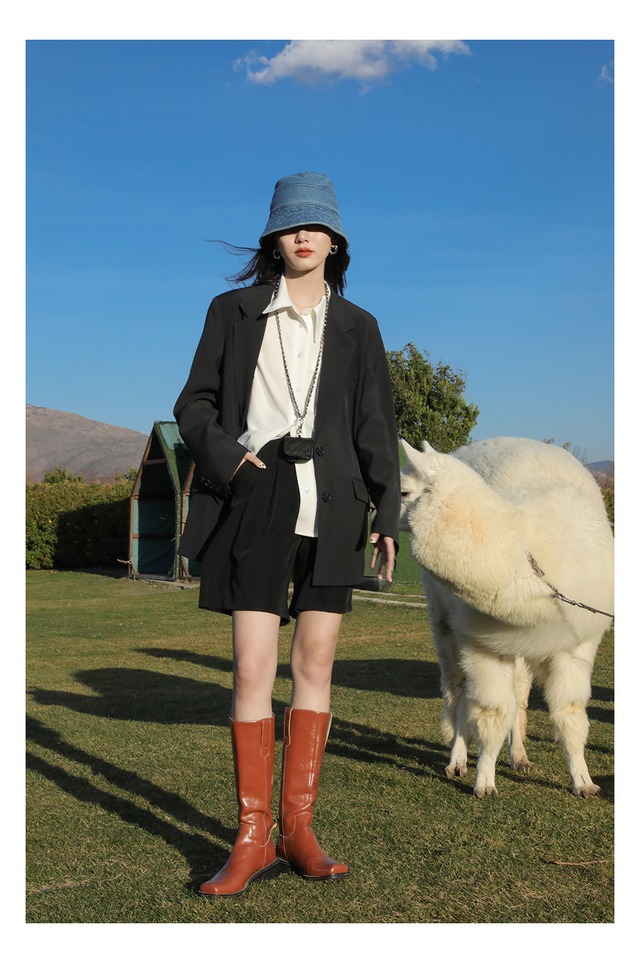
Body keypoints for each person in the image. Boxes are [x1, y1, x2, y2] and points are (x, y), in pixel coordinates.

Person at [174, 172, 400, 897]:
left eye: (316, 226)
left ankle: (298, 830)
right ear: (275, 239)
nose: (304, 236)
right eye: (291, 225)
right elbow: (193, 404)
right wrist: (234, 462)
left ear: (335, 242)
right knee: (250, 668)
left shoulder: (360, 326)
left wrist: (386, 515)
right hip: (257, 498)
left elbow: (375, 426)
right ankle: (252, 836)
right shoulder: (233, 311)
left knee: (316, 664)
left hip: (335, 508)